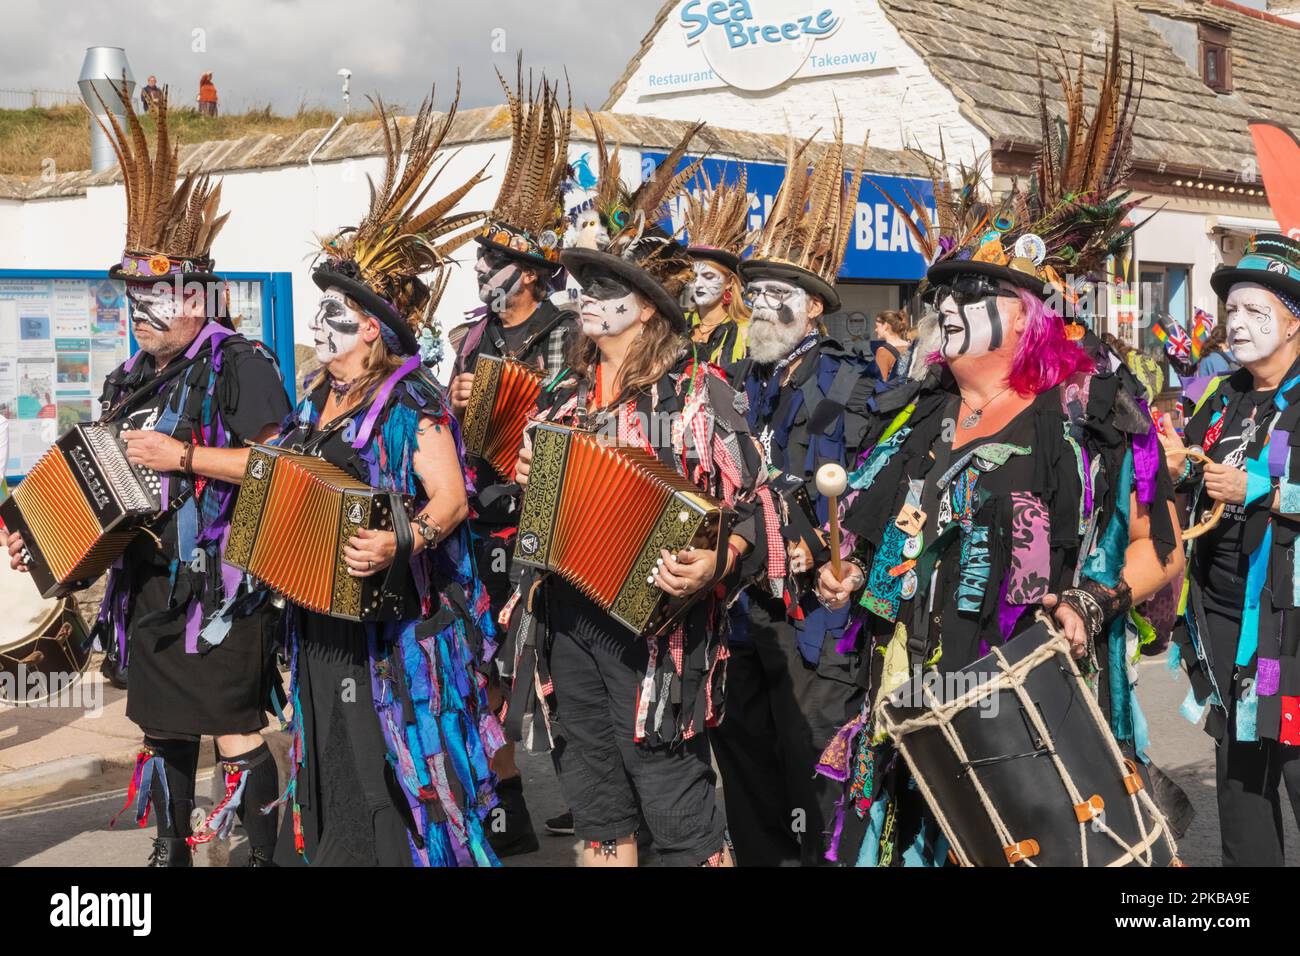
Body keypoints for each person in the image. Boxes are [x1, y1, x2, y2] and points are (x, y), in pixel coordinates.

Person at [813, 30, 1186, 865]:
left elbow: (1156, 552)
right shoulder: (921, 416)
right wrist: (839, 571)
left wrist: (1090, 604)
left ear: (1029, 314)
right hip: (912, 699)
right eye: (938, 292)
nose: (945, 305)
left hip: (1031, 703)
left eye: (971, 292)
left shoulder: (1088, 411)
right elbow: (868, 545)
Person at [6, 87, 291, 867]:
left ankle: (258, 858)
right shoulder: (127, 379)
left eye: (156, 297)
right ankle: (169, 848)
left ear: (196, 298)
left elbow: (280, 469)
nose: (140, 310)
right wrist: (48, 545)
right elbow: (97, 491)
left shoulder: (243, 364)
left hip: (223, 590)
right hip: (151, 589)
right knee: (161, 729)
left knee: (234, 731)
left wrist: (188, 458)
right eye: (133, 297)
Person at [266, 91, 502, 866]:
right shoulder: (315, 394)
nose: (318, 323)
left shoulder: (411, 400)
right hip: (321, 617)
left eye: (335, 312)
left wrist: (398, 542)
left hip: (396, 628)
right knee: (331, 763)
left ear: (372, 327)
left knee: (392, 773)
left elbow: (453, 500)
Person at [509, 177, 770, 868]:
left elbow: (765, 504)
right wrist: (530, 472)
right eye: (584, 285)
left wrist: (720, 559)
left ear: (651, 311)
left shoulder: (697, 392)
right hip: (567, 615)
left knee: (677, 808)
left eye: (604, 287)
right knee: (597, 811)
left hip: (655, 635)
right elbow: (539, 497)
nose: (586, 299)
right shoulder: (565, 392)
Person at [713, 118, 879, 867]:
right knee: (743, 765)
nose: (757, 308)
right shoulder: (732, 383)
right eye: (752, 296)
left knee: (812, 775)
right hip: (737, 606)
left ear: (815, 307)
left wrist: (849, 558)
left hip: (814, 616)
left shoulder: (856, 381)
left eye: (776, 295)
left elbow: (875, 492)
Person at [445, 62, 574, 855]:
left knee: (549, 670)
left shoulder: (568, 327)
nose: (479, 271)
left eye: (490, 261)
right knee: (486, 671)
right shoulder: (470, 335)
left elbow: (567, 422)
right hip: (482, 524)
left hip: (548, 526)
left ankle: (591, 796)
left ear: (525, 272)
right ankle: (511, 806)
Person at [1159, 233, 1300, 866]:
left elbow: (1258, 487)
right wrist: (1170, 465)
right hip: (1222, 624)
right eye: (1232, 311)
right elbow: (1190, 474)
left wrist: (1264, 490)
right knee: (1242, 795)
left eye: (1254, 312)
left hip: (1289, 637)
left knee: (1294, 763)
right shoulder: (1221, 398)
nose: (1235, 325)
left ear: (1294, 322)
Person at [679, 168, 753, 377]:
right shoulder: (677, 325)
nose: (698, 284)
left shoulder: (748, 330)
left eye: (709, 276)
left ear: (730, 282)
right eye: (694, 277)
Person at [873, 309, 912, 384]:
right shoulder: (911, 347)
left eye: (877, 326)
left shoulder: (883, 352)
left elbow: (881, 384)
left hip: (894, 394)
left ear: (885, 326)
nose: (875, 330)